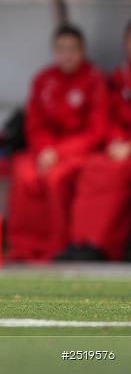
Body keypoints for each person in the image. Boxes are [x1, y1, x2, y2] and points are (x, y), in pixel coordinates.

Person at [5, 24, 109, 262]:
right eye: (61, 49)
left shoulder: (94, 80)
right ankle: (22, 247)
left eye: (72, 49)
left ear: (82, 50)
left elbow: (97, 129)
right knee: (24, 173)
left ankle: (56, 246)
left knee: (55, 177)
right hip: (44, 150)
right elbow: (34, 124)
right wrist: (45, 150)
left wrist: (59, 153)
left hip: (78, 152)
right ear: (54, 51)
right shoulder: (43, 80)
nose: (67, 54)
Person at [59, 19, 131, 260]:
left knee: (117, 171)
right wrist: (117, 141)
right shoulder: (119, 77)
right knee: (96, 167)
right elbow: (109, 117)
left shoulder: (97, 77)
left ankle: (103, 246)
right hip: (120, 147)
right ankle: (84, 242)